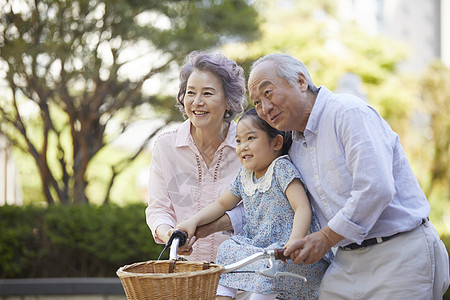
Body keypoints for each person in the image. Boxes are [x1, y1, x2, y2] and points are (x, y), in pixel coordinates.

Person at [245, 53, 450, 299]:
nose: (264, 109)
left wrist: (325, 238)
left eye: (268, 93)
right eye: (256, 103)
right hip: (346, 261)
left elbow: (375, 189)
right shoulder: (294, 146)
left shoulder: (348, 112)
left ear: (301, 81)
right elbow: (265, 195)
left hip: (400, 253)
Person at [177, 108, 331, 300]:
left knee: (267, 267)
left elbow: (302, 207)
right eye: (239, 141)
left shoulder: (281, 168)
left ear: (276, 142)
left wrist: (294, 242)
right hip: (259, 247)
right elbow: (222, 204)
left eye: (251, 138)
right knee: (227, 249)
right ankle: (223, 297)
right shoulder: (245, 176)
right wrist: (193, 221)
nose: (243, 147)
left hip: (286, 250)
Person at [145, 50, 247, 262]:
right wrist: (172, 237)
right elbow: (158, 209)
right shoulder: (166, 146)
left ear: (229, 101)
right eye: (191, 93)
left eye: (208, 93)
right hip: (186, 274)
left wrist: (204, 228)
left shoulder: (250, 146)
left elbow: (259, 210)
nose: (197, 102)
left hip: (240, 275)